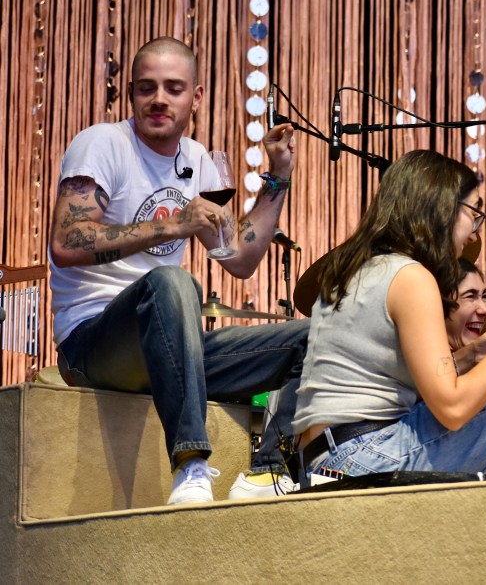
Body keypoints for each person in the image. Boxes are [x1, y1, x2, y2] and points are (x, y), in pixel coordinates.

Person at [48, 36, 307, 504]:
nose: (159, 100)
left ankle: (268, 471)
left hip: (167, 348)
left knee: (314, 336)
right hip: (92, 343)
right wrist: (172, 227)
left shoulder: (198, 160)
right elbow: (67, 242)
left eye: (173, 88)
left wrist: (279, 173)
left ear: (196, 96)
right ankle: (191, 465)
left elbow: (242, 260)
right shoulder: (102, 144)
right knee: (172, 282)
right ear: (131, 93)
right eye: (147, 88)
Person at [292, 149, 486, 479]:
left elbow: (395, 379)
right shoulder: (411, 277)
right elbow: (452, 409)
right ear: (442, 209)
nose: (475, 233)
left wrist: (472, 356)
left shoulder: (359, 270)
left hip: (328, 457)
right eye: (474, 214)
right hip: (369, 456)